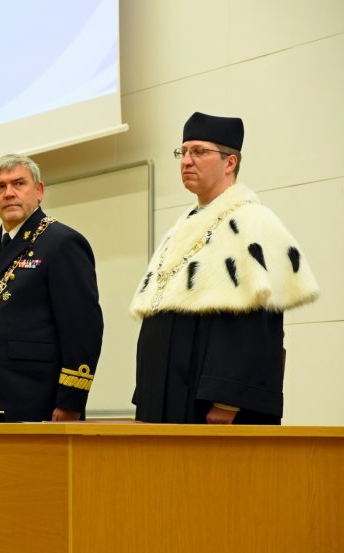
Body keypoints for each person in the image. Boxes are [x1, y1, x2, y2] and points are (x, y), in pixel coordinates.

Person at [130, 112, 319, 424]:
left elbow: (252, 321)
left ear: (230, 162)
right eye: (183, 151)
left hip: (209, 406)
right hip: (166, 396)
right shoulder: (185, 227)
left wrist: (228, 400)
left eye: (199, 152)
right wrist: (148, 392)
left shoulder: (251, 222)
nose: (187, 161)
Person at [0, 154, 104, 421]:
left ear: (39, 191)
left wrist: (71, 401)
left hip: (32, 397)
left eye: (18, 184)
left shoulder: (61, 242)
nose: (9, 193)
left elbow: (82, 328)